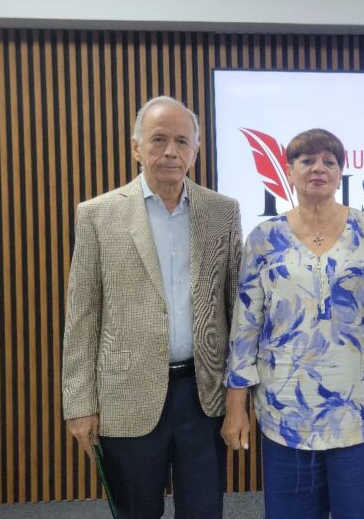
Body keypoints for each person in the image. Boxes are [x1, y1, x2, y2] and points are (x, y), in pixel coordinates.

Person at [221, 128, 364, 519]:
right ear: (290, 170)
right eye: (307, 160)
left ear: (340, 172)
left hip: (359, 407)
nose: (319, 168)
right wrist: (236, 407)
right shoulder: (264, 237)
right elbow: (245, 325)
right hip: (285, 409)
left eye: (329, 162)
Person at [62, 95, 242, 518]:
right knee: (136, 511)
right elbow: (82, 314)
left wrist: (240, 397)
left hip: (204, 396)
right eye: (158, 139)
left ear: (196, 150)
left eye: (182, 141)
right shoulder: (98, 214)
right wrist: (79, 404)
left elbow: (237, 310)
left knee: (203, 510)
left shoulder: (222, 212)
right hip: (127, 395)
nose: (170, 152)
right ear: (136, 146)